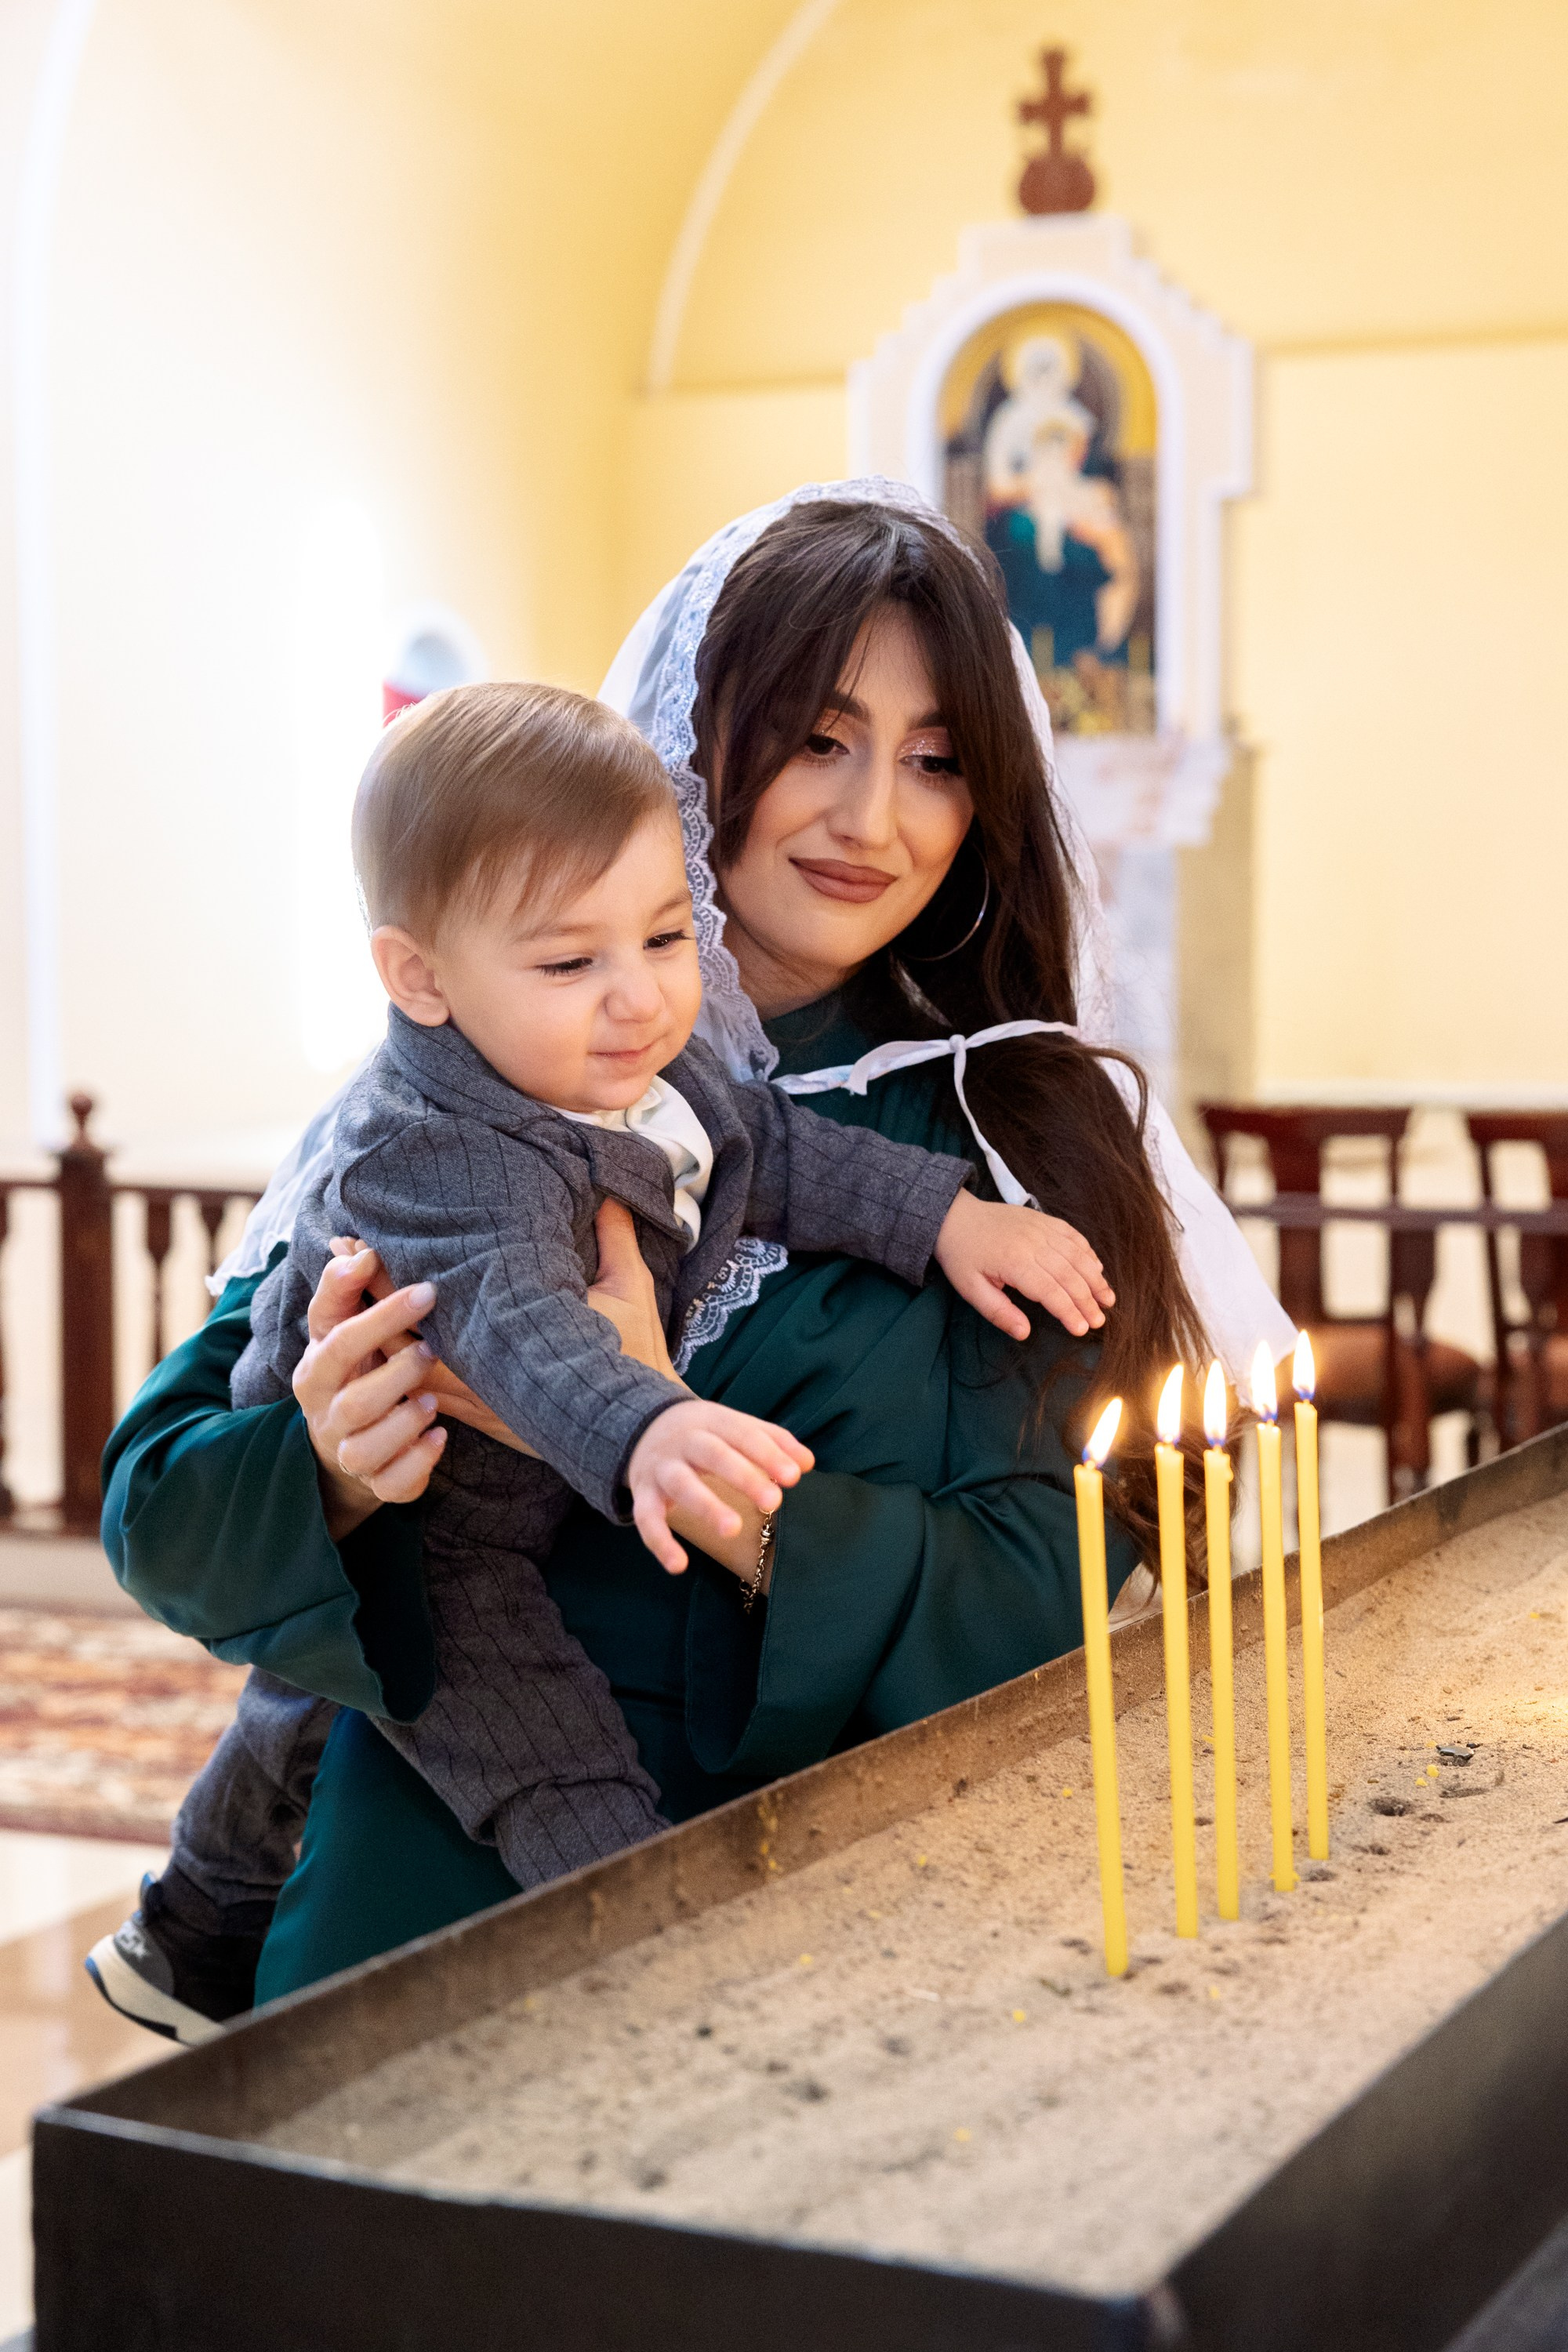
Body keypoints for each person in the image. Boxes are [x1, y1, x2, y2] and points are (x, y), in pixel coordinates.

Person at [92, 480, 1293, 2036]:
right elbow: (159, 1511)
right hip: (412, 1912)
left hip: (821, 1936)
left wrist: (686, 1458)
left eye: (935, 761)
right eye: (817, 739)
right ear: (692, 740)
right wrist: (329, 1469)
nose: (873, 820)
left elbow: (1044, 1599)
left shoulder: (1019, 1145)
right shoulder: (458, 1089)